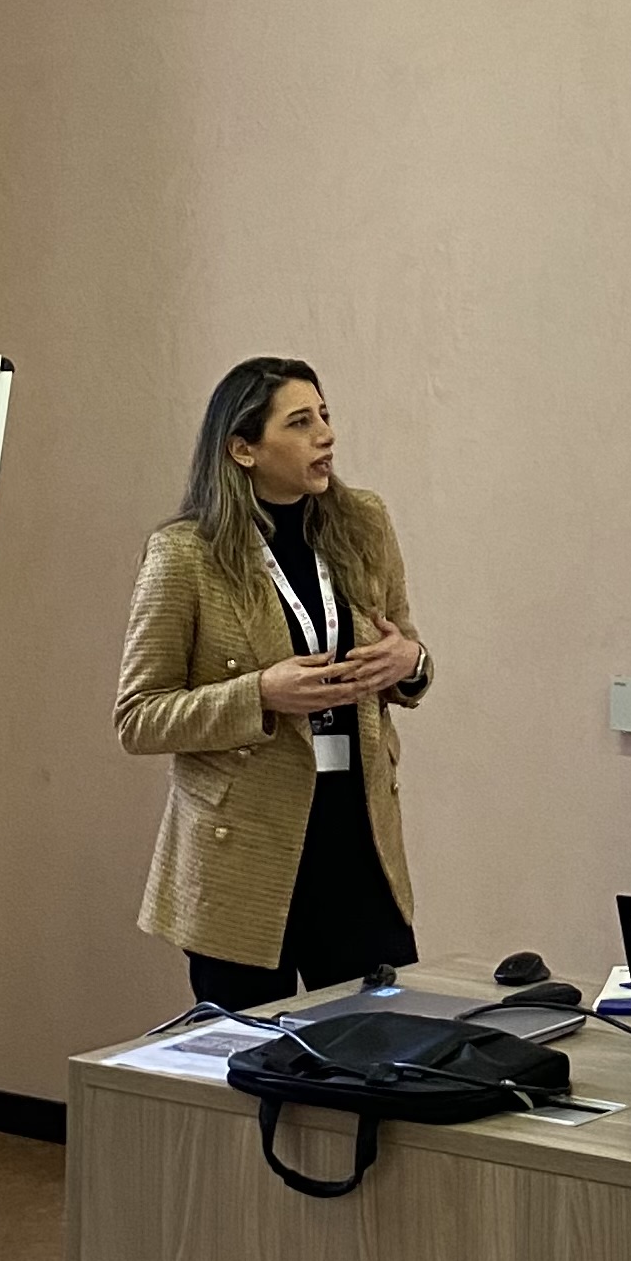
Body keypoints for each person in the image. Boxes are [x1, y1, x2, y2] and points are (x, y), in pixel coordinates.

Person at [115, 355, 431, 1010]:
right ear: (244, 449)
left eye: (325, 416)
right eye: (300, 422)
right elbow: (139, 716)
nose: (327, 436)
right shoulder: (185, 554)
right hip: (245, 855)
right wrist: (258, 694)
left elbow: (405, 645)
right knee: (251, 1055)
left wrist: (412, 663)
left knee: (382, 1039)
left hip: (358, 838)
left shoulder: (364, 522)